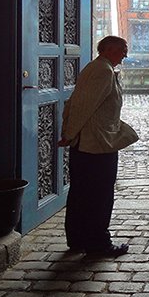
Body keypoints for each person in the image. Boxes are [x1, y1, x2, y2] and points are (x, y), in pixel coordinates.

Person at [58, 35, 139, 256]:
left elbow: (74, 102)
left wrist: (69, 133)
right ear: (109, 50)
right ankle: (98, 243)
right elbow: (82, 106)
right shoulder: (102, 71)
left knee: (81, 193)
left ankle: (78, 239)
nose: (126, 54)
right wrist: (69, 134)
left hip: (88, 144)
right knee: (99, 195)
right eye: (123, 50)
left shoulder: (95, 68)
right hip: (96, 145)